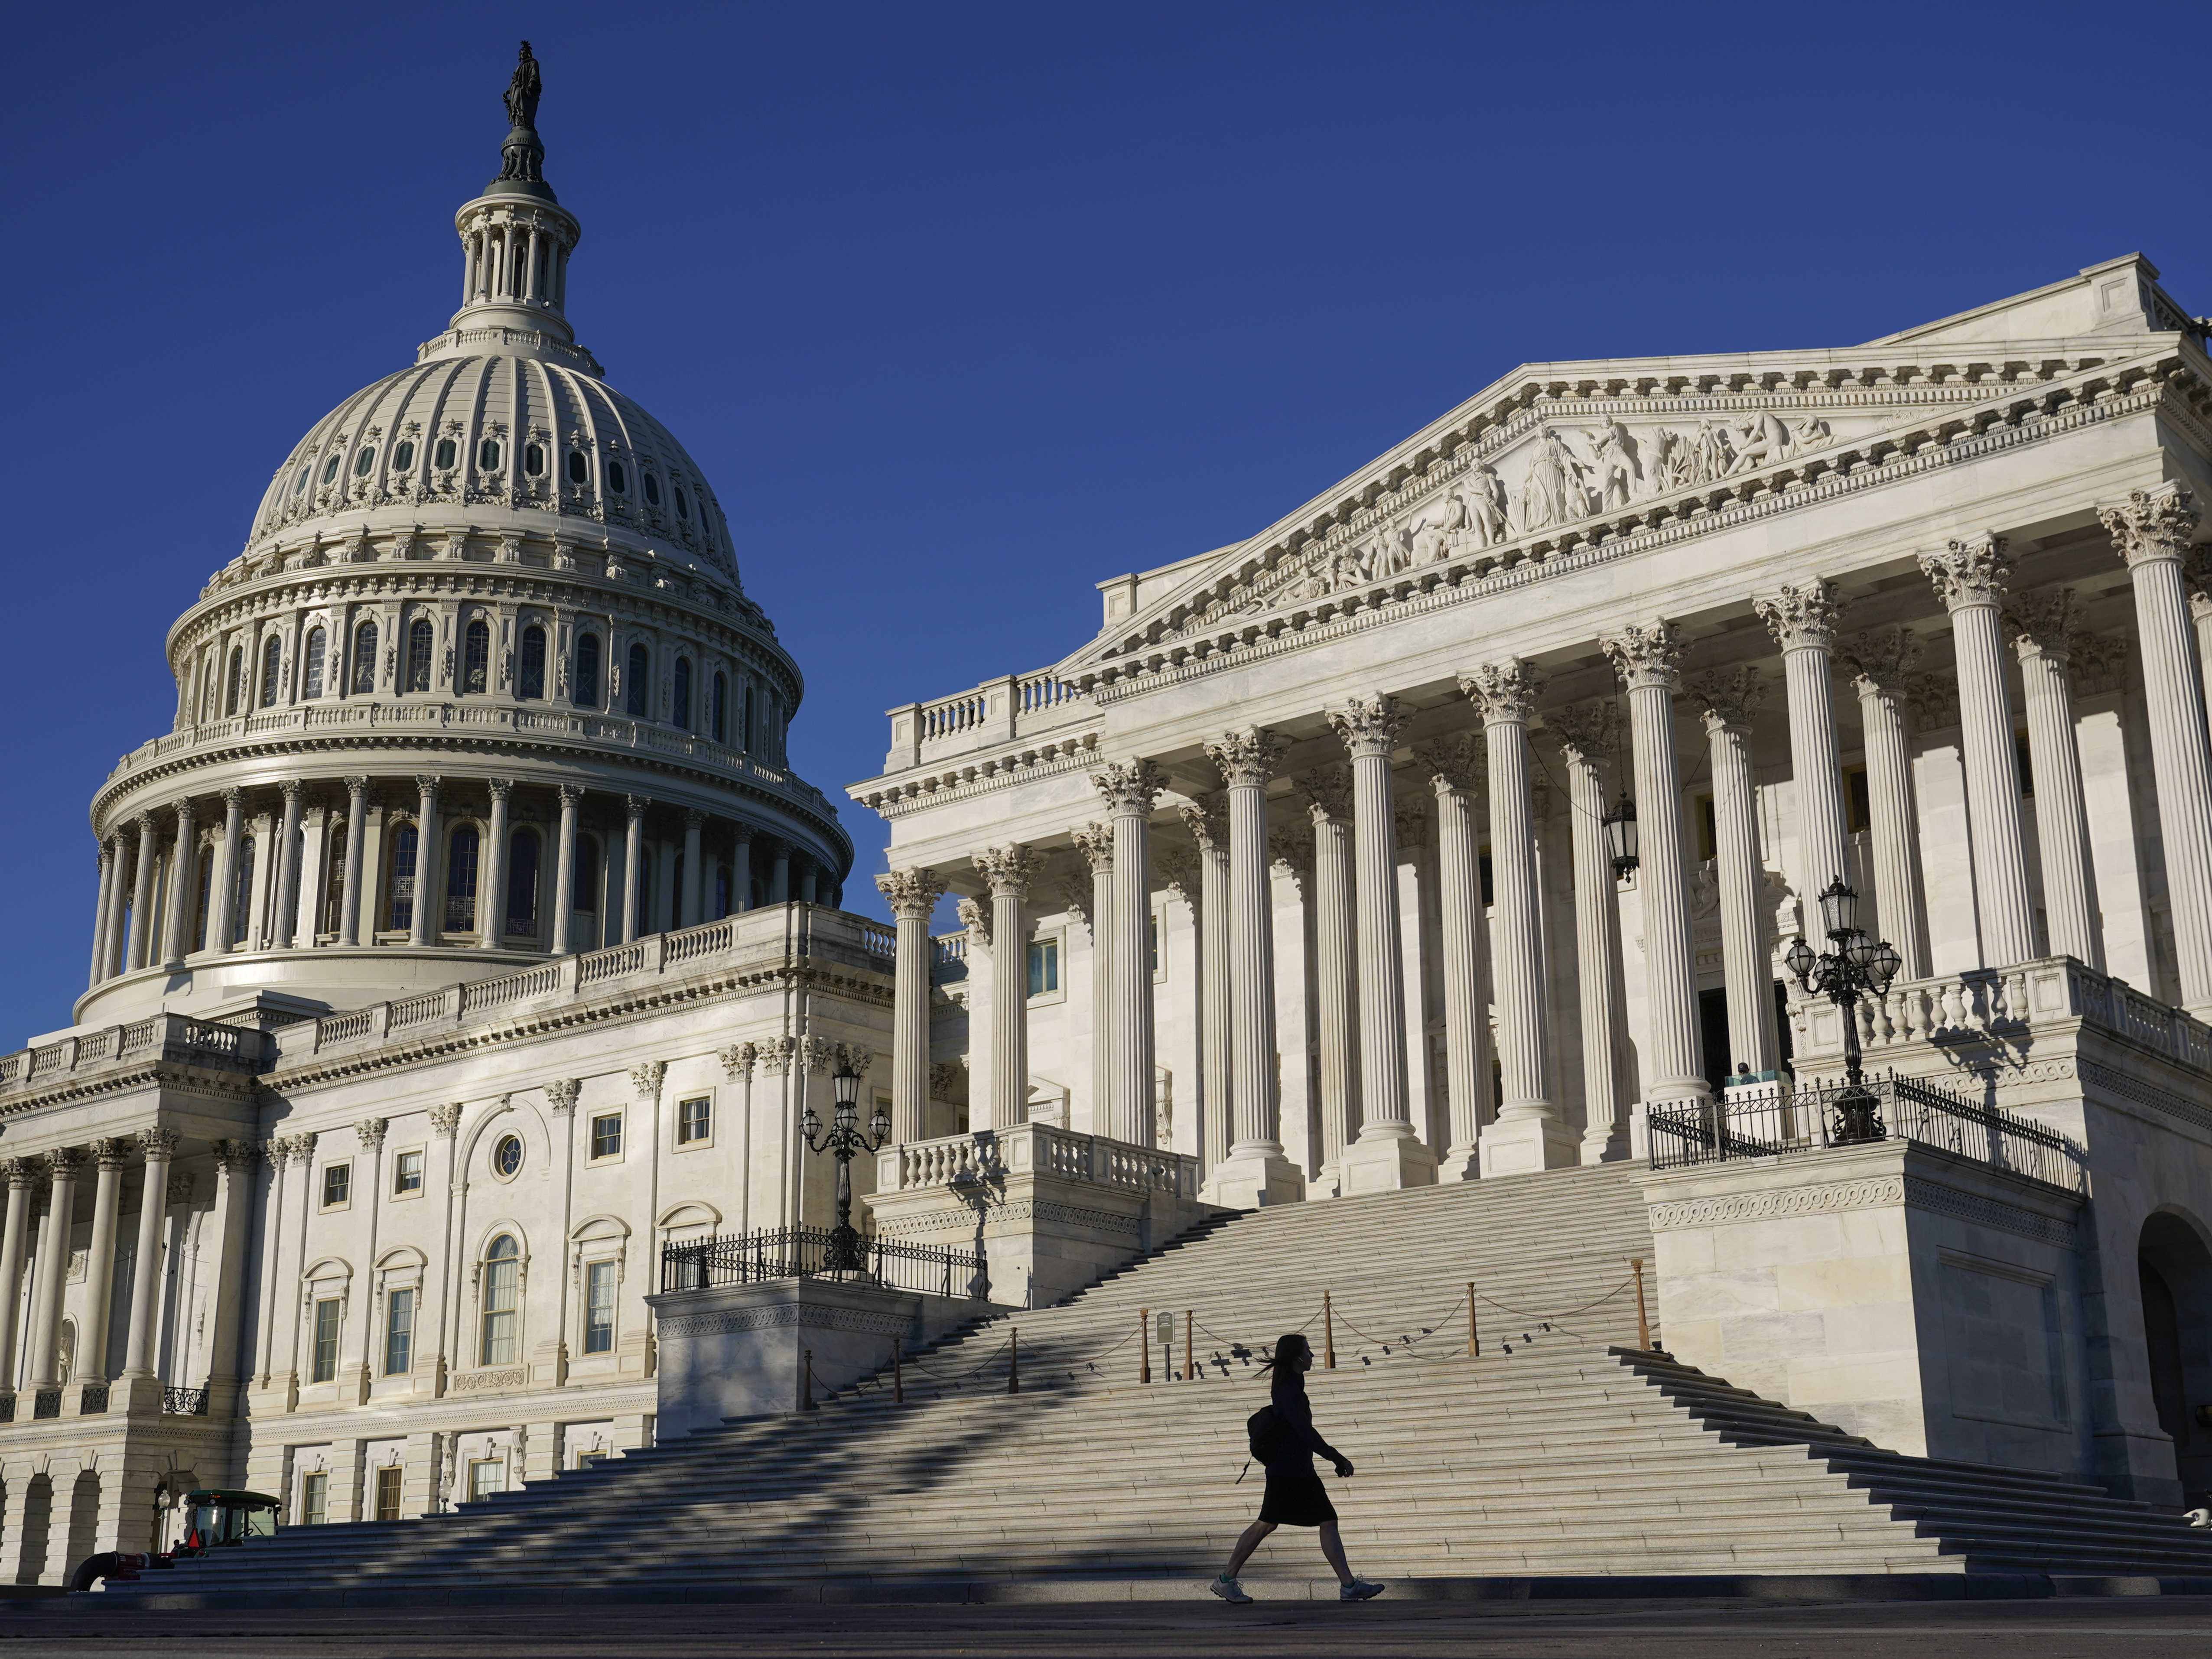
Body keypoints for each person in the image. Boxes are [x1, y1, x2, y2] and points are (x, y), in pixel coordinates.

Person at [1210, 1333, 1384, 1604]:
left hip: (1296, 1469)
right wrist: (1337, 1457)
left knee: (1317, 1522)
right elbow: (1304, 1430)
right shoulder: (1289, 1388)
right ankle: (1226, 1579)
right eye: (1308, 1350)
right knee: (1269, 1524)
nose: (1313, 1355)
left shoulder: (1291, 1386)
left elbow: (1302, 1430)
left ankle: (1349, 1586)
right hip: (1289, 1471)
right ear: (1296, 1356)